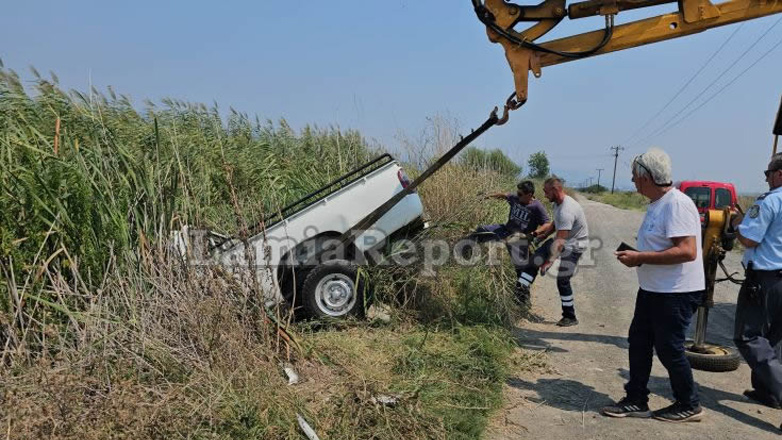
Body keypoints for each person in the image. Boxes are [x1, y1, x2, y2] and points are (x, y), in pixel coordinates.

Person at [602, 147, 704, 423]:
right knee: (639, 343)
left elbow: (687, 251)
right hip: (653, 289)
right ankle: (636, 398)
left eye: (634, 176)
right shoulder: (657, 204)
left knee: (669, 349)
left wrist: (640, 257)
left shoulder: (676, 204)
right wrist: (638, 258)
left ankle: (689, 403)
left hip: (675, 292)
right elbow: (662, 247)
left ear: (646, 177)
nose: (632, 181)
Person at [731, 152, 782, 417]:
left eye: (768, 174)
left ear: (779, 174)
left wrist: (737, 223)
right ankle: (767, 391)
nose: (766, 179)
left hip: (766, 279)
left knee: (748, 336)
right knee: (774, 339)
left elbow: (750, 239)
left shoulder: (770, 201)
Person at [515, 177, 588, 326]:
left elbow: (560, 242)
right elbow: (555, 224)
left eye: (546, 191)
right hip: (561, 239)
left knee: (562, 279)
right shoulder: (557, 204)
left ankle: (570, 316)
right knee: (533, 262)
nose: (544, 195)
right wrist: (542, 236)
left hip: (574, 246)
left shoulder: (567, 210)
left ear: (555, 190)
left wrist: (548, 262)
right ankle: (519, 297)